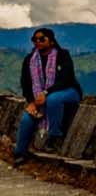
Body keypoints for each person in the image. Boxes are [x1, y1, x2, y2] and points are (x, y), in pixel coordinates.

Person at [13, 27, 82, 162]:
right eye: (35, 39)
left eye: (41, 39)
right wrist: (31, 103)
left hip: (69, 91)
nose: (37, 42)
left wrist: (46, 92)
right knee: (27, 118)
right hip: (40, 97)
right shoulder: (30, 60)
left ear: (51, 41)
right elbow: (26, 83)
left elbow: (67, 79)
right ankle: (19, 153)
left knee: (53, 99)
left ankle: (54, 136)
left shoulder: (62, 55)